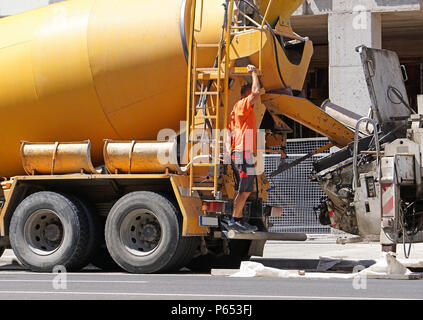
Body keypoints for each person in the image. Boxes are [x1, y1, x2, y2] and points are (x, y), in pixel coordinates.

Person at [226, 64, 260, 233]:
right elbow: (255, 92)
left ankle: (237, 219)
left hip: (240, 152)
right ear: (246, 95)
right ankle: (234, 220)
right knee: (245, 189)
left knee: (244, 189)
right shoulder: (243, 105)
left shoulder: (238, 109)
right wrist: (254, 73)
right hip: (241, 153)